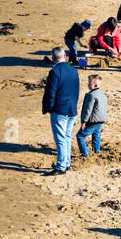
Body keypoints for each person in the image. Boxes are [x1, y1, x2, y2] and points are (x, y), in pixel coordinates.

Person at [41, 47, 81, 175]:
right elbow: (76, 90)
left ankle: (61, 166)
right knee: (67, 137)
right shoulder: (74, 70)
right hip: (71, 108)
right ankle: (66, 163)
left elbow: (50, 93)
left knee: (60, 139)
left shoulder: (55, 71)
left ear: (53, 58)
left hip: (60, 109)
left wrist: (49, 108)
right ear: (65, 56)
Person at [78, 74, 106, 157]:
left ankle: (84, 154)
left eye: (89, 84)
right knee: (96, 136)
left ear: (95, 85)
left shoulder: (91, 95)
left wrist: (84, 121)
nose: (88, 85)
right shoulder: (102, 94)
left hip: (92, 121)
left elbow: (88, 110)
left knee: (80, 135)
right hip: (100, 121)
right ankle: (96, 152)